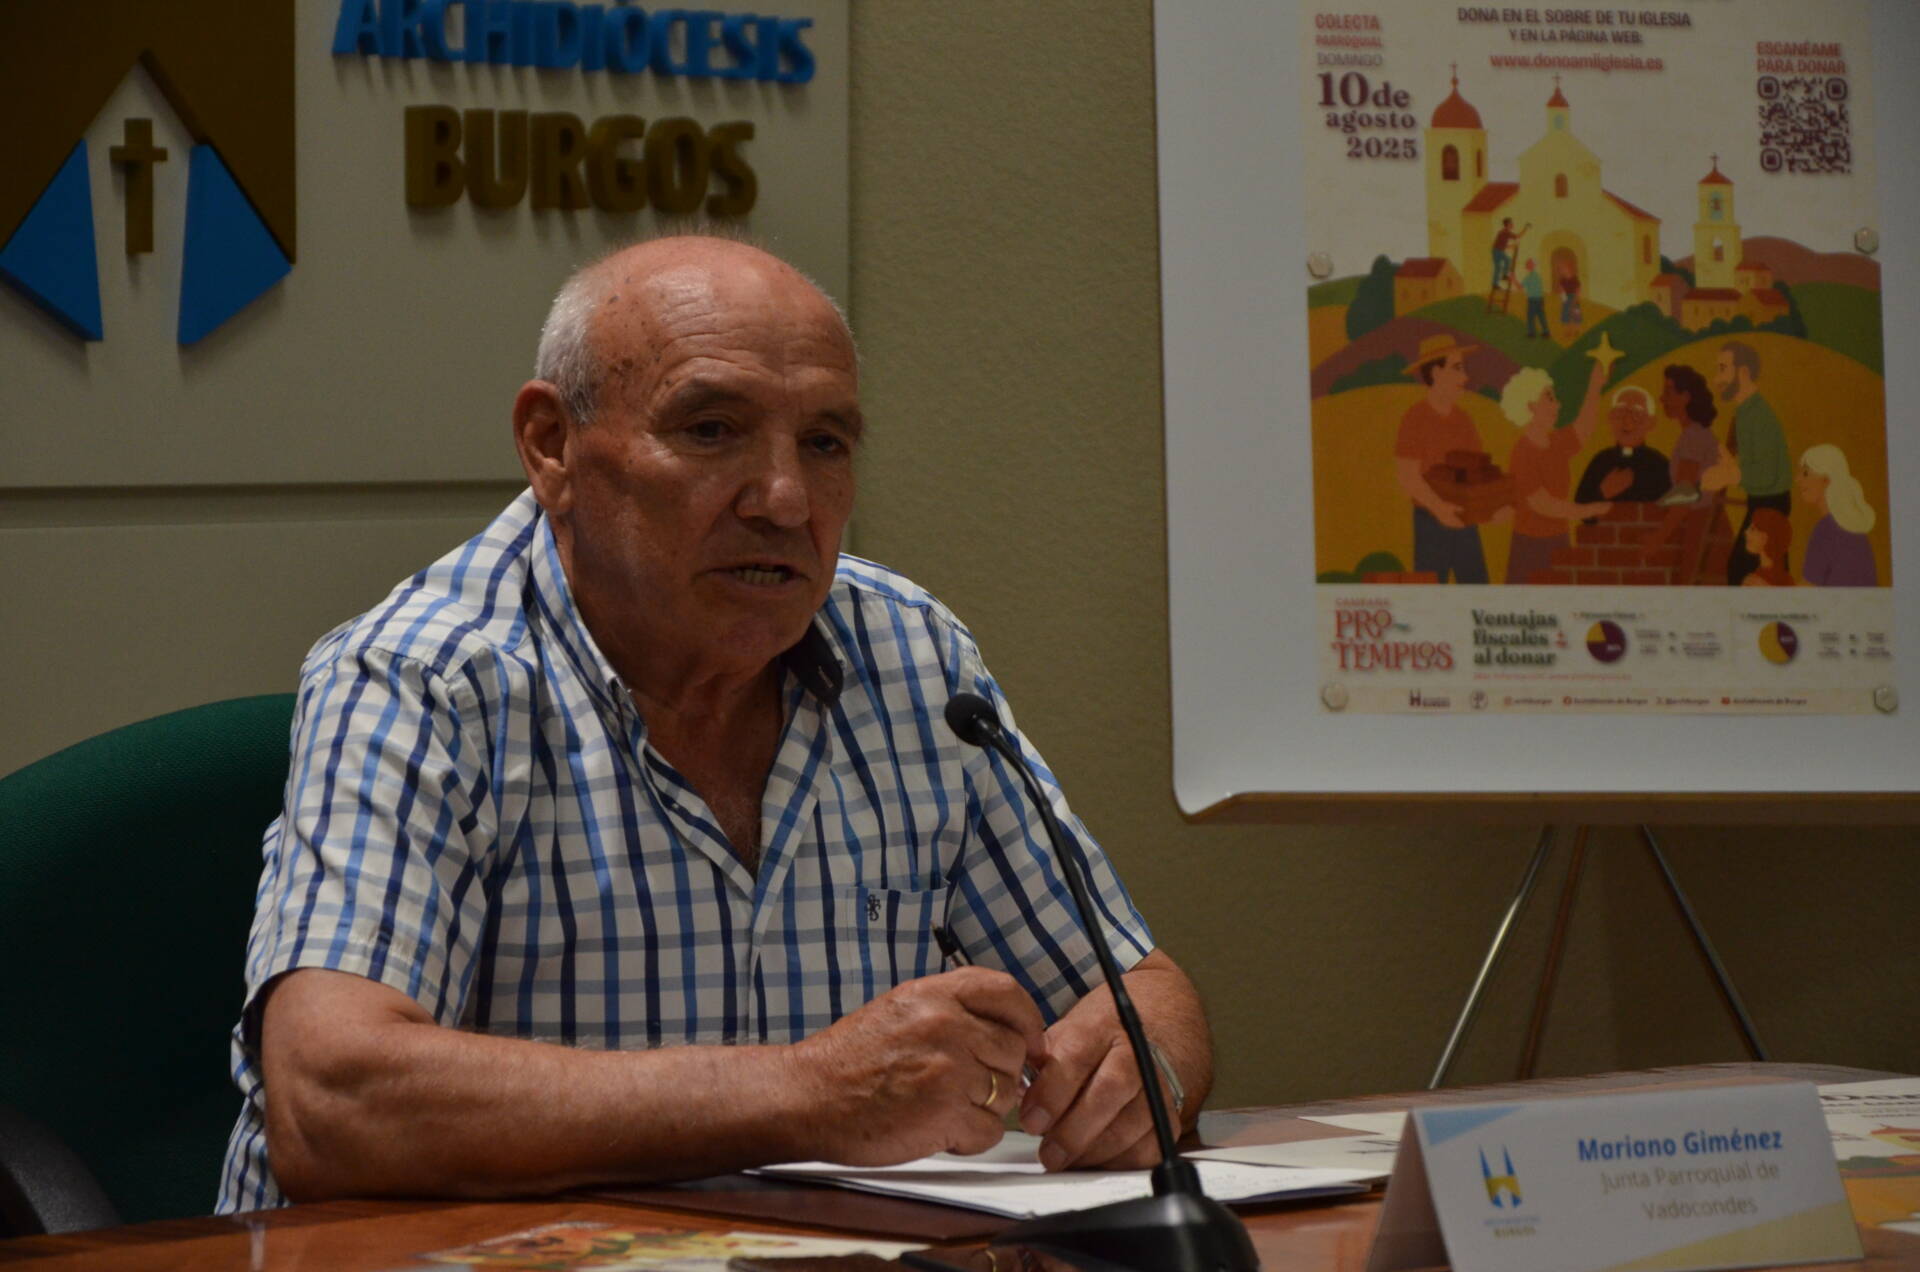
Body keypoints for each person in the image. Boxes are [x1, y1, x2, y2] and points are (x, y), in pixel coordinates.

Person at [216, 236, 1209, 1213]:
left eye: (824, 444)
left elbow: (1139, 987)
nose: (785, 500)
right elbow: (333, 1101)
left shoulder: (911, 656)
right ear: (552, 445)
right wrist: (812, 1094)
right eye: (711, 430)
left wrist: (1142, 1068)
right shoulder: (423, 679)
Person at [1393, 335, 1503, 583]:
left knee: (1477, 593)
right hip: (1430, 523)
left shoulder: (1464, 419)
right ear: (1436, 372)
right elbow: (1408, 477)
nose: (1465, 377)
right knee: (1430, 595)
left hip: (1467, 520)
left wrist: (1493, 508)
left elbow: (1478, 474)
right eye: (1457, 368)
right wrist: (1440, 508)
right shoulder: (1415, 418)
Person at [1501, 362, 1611, 584]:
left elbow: (1584, 429)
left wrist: (1595, 386)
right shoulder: (1523, 452)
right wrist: (1589, 510)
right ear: (1531, 406)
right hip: (1530, 548)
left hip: (1559, 541)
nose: (1558, 405)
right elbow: (1542, 503)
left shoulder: (1556, 442)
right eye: (1549, 398)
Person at [1701, 341, 1790, 585]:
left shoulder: (1758, 415)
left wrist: (1731, 475)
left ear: (1742, 372)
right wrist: (1726, 468)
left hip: (1771, 505)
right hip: (1759, 501)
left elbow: (1767, 474)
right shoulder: (1744, 412)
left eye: (1722, 369)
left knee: (1743, 571)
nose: (1717, 379)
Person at [1797, 443, 1879, 586]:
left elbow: (1807, 591)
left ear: (1826, 480)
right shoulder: (1853, 526)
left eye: (1805, 473)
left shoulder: (1826, 530)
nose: (1797, 479)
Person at [1574, 386, 1671, 506]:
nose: (1627, 420)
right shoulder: (1600, 461)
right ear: (1610, 417)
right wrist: (1602, 493)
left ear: (1651, 422)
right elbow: (1579, 507)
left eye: (1636, 414)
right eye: (1620, 412)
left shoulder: (1659, 464)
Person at [1659, 363, 1720, 494]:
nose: (1661, 399)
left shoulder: (1694, 437)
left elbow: (1684, 495)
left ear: (1685, 397)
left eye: (1667, 393)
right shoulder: (1696, 433)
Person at [1739, 508, 1794, 587]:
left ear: (1766, 537)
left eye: (1753, 529)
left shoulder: (1785, 581)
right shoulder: (1754, 577)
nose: (1746, 532)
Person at [1521, 260, 1548, 338]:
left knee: (1530, 317)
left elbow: (1520, 287)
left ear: (1530, 266)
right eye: (1527, 264)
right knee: (1541, 316)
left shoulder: (1528, 277)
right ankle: (1546, 332)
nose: (1526, 266)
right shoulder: (1538, 276)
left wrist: (1513, 279)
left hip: (1532, 300)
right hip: (1540, 299)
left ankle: (1531, 333)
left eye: (1528, 264)